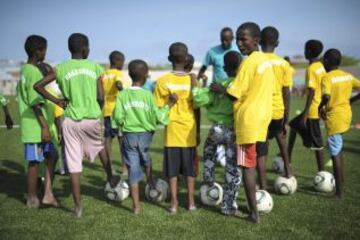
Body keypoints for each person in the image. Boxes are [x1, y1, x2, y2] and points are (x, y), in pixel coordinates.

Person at [34, 33, 118, 218]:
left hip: (70, 121)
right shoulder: (95, 67)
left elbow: (38, 86)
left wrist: (58, 101)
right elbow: (100, 96)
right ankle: (110, 175)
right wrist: (98, 109)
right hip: (91, 118)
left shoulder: (61, 68)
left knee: (73, 163)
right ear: (84, 49)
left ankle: (78, 207)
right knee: (100, 146)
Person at [112, 59, 177, 214]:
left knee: (133, 169)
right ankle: (151, 182)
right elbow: (158, 117)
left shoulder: (122, 95)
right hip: (146, 136)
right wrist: (169, 104)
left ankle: (136, 206)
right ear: (146, 75)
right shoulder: (148, 96)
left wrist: (121, 125)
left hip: (129, 136)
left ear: (129, 75)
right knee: (146, 159)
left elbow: (118, 118)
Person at [227, 22, 275, 223]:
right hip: (263, 117)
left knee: (246, 166)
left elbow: (233, 93)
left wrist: (224, 88)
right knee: (254, 162)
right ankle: (257, 201)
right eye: (238, 39)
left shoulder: (247, 63)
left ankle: (253, 214)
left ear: (256, 40)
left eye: (243, 39)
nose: (239, 43)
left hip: (248, 120)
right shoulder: (265, 60)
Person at [192, 51, 242, 216]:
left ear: (225, 67)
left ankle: (208, 188)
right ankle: (228, 206)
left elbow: (199, 100)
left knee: (209, 158)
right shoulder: (242, 84)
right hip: (234, 130)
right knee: (232, 168)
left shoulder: (219, 83)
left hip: (217, 129)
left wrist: (197, 86)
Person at [154, 42, 197, 213]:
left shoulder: (163, 81)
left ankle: (174, 204)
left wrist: (170, 104)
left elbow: (158, 112)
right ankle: (191, 202)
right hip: (189, 132)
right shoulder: (192, 80)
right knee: (190, 171)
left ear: (169, 58)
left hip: (172, 132)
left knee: (172, 171)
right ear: (186, 58)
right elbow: (198, 105)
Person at [17, 35, 58, 208]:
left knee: (53, 155)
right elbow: (35, 103)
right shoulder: (33, 72)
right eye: (44, 50)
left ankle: (46, 192)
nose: (45, 54)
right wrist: (44, 127)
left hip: (37, 125)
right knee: (34, 162)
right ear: (37, 51)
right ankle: (32, 197)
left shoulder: (25, 70)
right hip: (36, 126)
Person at [318, 49, 360, 198]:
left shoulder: (327, 77)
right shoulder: (347, 76)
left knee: (335, 153)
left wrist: (320, 107)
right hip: (346, 115)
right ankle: (341, 182)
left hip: (334, 117)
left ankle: (339, 193)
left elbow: (326, 96)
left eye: (324, 60)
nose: (323, 62)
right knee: (338, 149)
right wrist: (351, 100)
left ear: (327, 62)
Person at [256, 26, 293, 190]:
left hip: (260, 110)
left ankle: (263, 186)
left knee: (261, 148)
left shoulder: (255, 60)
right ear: (277, 43)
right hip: (278, 110)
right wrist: (286, 116)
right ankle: (289, 173)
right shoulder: (284, 64)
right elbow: (286, 92)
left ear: (259, 41)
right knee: (281, 141)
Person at [288, 40, 325, 172]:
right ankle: (287, 160)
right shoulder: (320, 66)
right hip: (317, 107)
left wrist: (305, 113)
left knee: (317, 144)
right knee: (293, 125)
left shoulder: (311, 69)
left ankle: (322, 172)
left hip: (312, 110)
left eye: (304, 49)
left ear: (308, 51)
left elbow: (312, 91)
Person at [102, 51, 127, 176]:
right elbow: (118, 83)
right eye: (122, 62)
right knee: (122, 139)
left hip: (106, 111)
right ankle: (124, 168)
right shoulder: (118, 73)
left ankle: (109, 167)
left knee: (108, 139)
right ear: (117, 61)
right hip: (117, 111)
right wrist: (124, 92)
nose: (123, 64)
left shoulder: (104, 74)